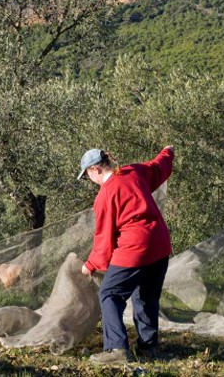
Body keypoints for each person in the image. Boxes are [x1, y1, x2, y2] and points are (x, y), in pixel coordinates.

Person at [78, 146, 174, 364]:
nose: (89, 179)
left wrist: (90, 265)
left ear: (95, 169)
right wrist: (168, 151)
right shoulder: (134, 172)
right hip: (159, 244)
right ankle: (148, 348)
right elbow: (159, 167)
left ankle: (116, 350)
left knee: (110, 294)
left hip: (135, 248)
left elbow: (103, 238)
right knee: (147, 297)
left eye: (87, 175)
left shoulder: (105, 195)